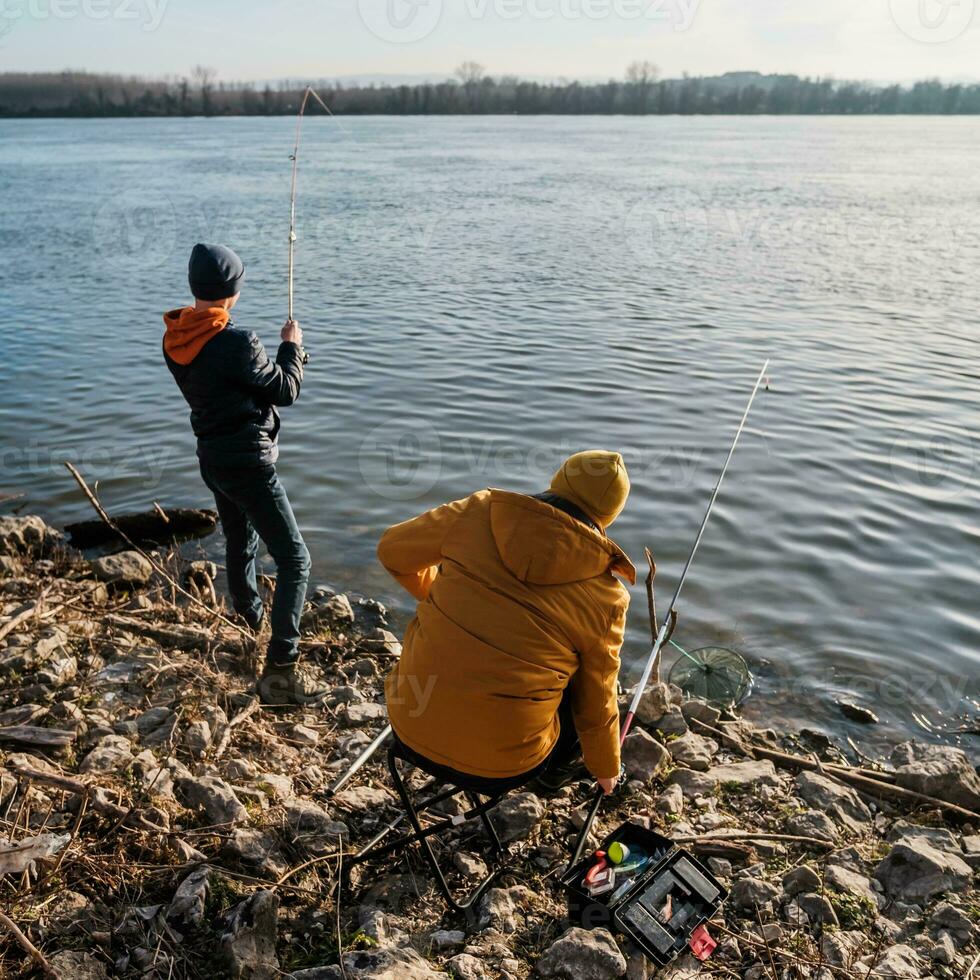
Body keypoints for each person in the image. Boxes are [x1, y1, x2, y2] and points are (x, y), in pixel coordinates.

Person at [378, 450, 635, 796]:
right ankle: (550, 781)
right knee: (584, 681)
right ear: (610, 516)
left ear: (558, 481)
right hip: (503, 768)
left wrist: (438, 596)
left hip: (408, 725)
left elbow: (393, 551)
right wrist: (607, 769)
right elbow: (597, 700)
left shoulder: (478, 511)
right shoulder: (609, 597)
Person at [163, 243, 325, 705]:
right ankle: (280, 670)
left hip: (212, 459)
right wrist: (292, 348)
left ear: (197, 288)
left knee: (241, 541)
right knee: (297, 560)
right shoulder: (237, 341)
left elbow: (236, 383)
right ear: (232, 291)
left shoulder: (175, 336)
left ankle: (249, 625)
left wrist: (279, 359)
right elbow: (286, 391)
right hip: (250, 464)